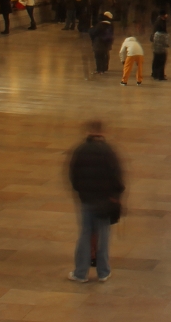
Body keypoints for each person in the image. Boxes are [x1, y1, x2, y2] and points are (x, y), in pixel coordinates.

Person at [67, 121, 124, 283]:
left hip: (87, 200)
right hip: (104, 201)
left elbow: (73, 175)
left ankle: (80, 273)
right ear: (102, 132)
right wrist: (115, 196)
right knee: (103, 236)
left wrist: (81, 192)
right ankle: (103, 272)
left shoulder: (80, 150)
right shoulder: (108, 151)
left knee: (85, 235)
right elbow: (117, 177)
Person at [150, 16, 170, 81]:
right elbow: (166, 43)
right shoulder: (165, 35)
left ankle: (154, 73)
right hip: (162, 50)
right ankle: (160, 76)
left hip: (155, 49)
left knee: (155, 61)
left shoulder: (156, 33)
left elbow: (153, 40)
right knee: (162, 63)